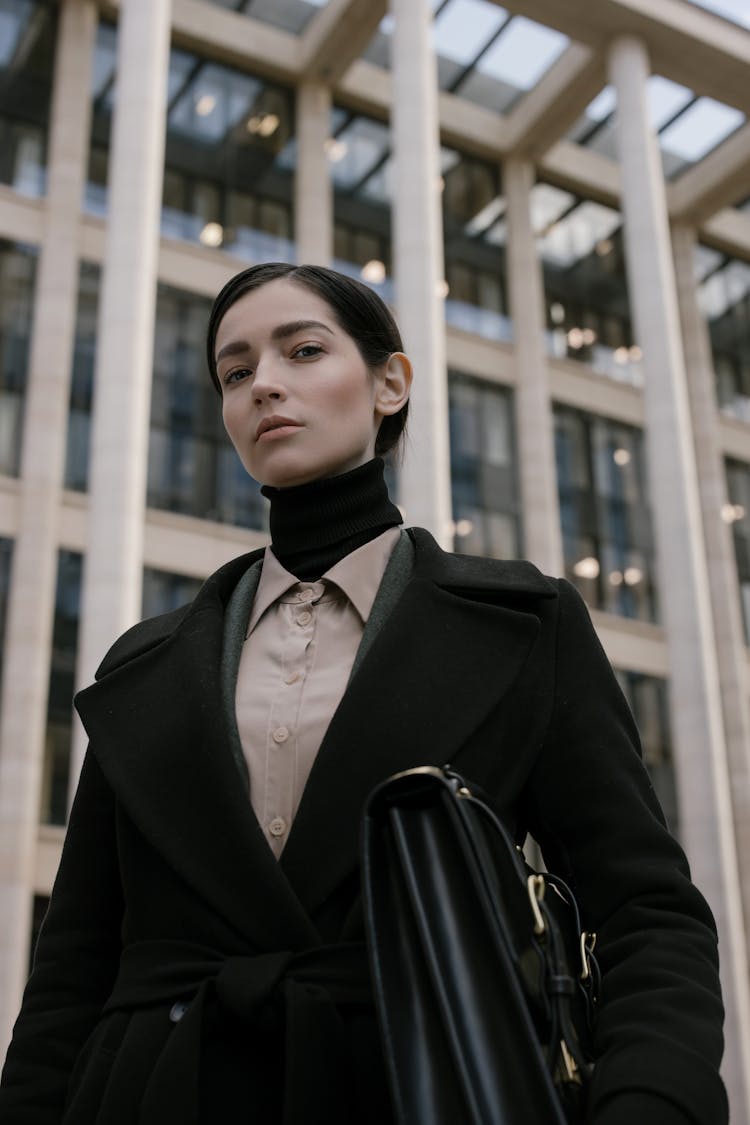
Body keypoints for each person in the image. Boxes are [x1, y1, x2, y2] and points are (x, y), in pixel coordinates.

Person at [0, 262, 727, 1125]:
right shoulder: (146, 665)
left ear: (391, 383)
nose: (264, 383)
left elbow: (644, 911)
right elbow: (71, 969)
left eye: (302, 350)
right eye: (235, 373)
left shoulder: (524, 623)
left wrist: (649, 1102)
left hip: (418, 1084)